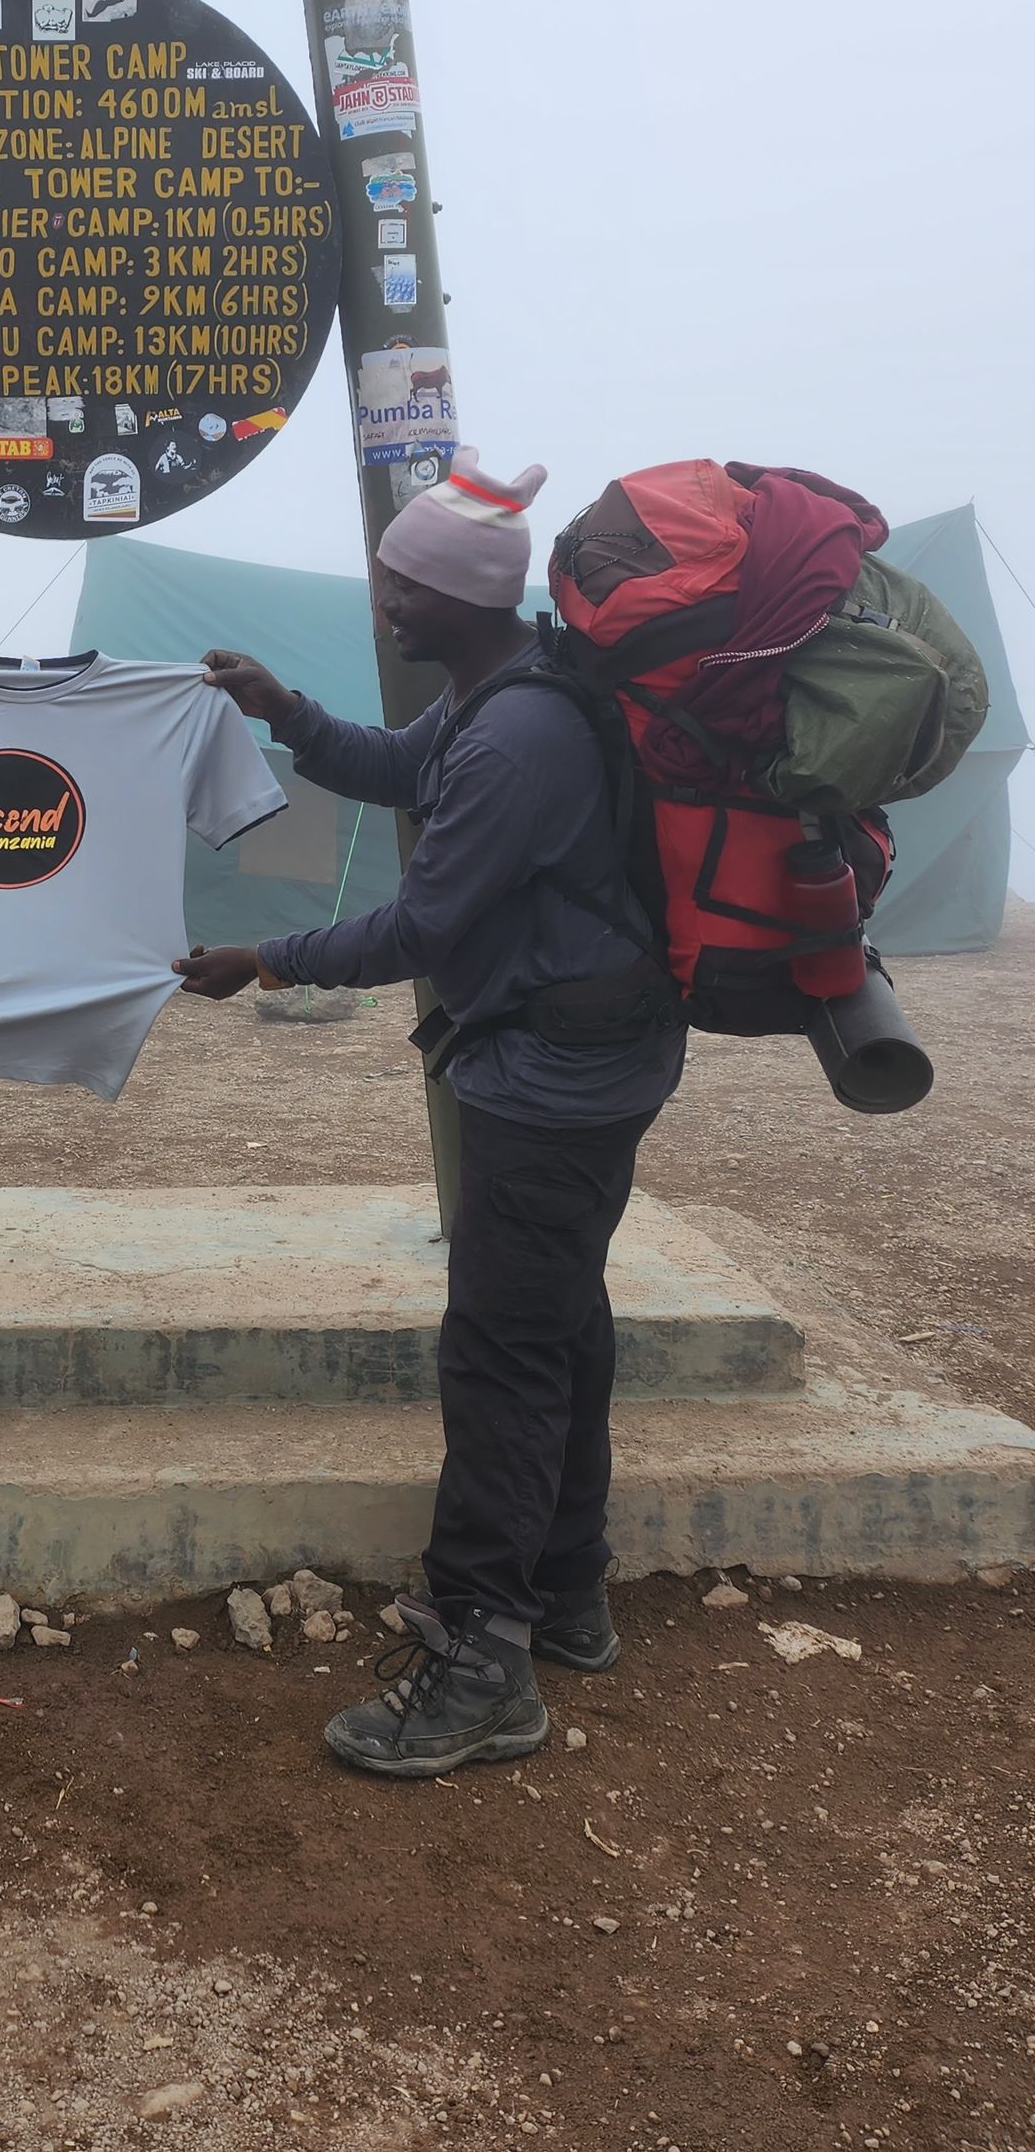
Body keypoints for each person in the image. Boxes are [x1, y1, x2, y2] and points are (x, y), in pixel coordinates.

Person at [176, 449, 684, 1780]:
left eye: (402, 583)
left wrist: (264, 958)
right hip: (576, 1060)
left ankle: (479, 1660)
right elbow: (389, 767)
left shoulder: (518, 731)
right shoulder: (495, 694)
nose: (383, 597)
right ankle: (568, 1589)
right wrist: (284, 705)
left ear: (464, 594)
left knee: (504, 1357)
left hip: (553, 1081)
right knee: (557, 1327)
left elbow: (427, 920)